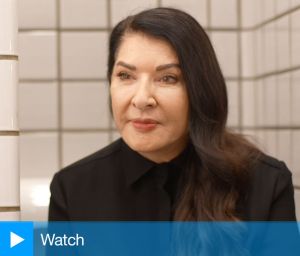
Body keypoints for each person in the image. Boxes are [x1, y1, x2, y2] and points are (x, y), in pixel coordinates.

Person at [48, 7, 297, 222]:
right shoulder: (72, 190)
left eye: (168, 78)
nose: (142, 99)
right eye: (125, 76)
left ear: (200, 89)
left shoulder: (265, 184)